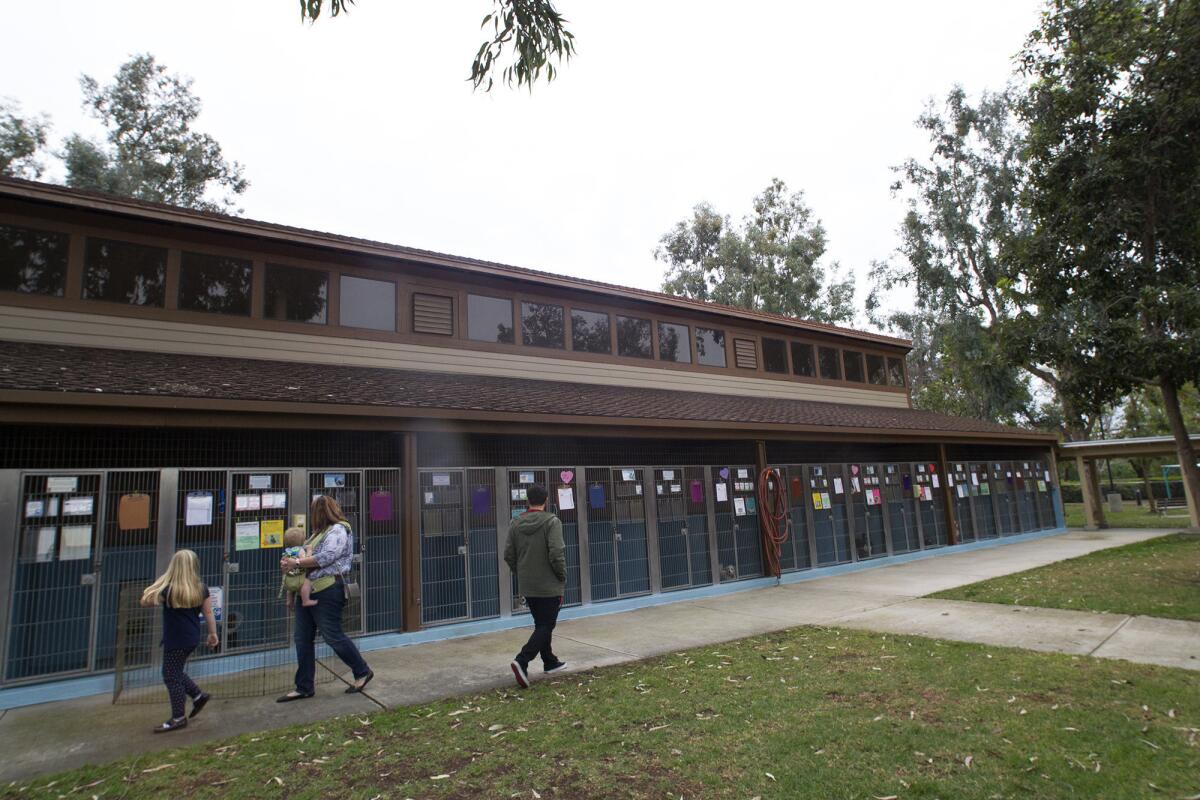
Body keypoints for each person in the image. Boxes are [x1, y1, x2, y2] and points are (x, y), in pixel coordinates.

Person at [277, 495, 373, 701]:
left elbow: (327, 556)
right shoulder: (315, 535)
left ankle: (362, 671)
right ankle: (304, 686)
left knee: (332, 635)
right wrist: (290, 564)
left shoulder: (339, 529)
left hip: (328, 589)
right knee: (302, 639)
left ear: (320, 512)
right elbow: (302, 557)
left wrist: (297, 563)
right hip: (308, 590)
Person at [140, 549, 218, 732]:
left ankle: (178, 717)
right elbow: (208, 612)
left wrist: (162, 580)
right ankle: (198, 696)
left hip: (175, 639)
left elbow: (145, 600)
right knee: (175, 671)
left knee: (171, 676)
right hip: (191, 637)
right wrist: (213, 633)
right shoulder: (201, 588)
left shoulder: (168, 591)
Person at [504, 484, 568, 688]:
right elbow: (556, 553)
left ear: (527, 501)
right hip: (548, 584)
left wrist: (521, 572)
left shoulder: (515, 523)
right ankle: (522, 661)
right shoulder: (552, 522)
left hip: (528, 585)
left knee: (541, 623)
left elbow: (509, 555)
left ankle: (549, 661)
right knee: (546, 625)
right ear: (546, 500)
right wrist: (561, 576)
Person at [280, 526, 317, 608]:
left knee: (290, 589)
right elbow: (306, 560)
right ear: (302, 541)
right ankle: (306, 600)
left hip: (289, 578)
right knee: (306, 583)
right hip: (299, 577)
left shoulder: (287, 551)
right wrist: (310, 550)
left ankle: (289, 601)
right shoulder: (300, 550)